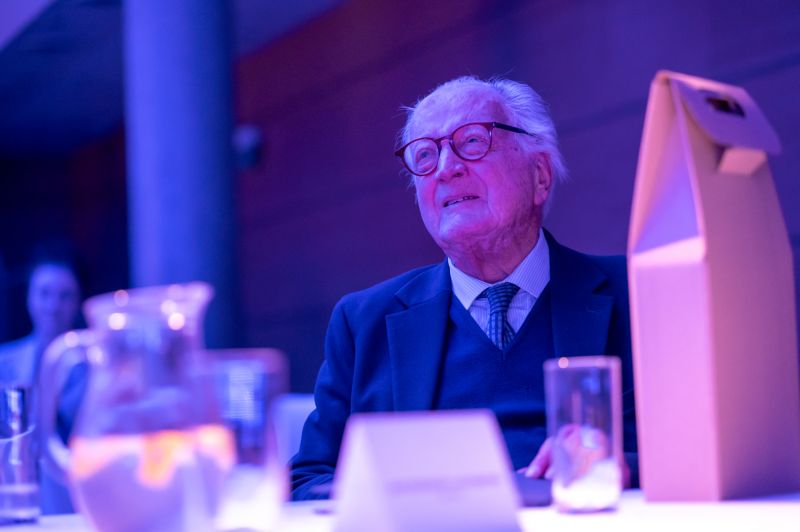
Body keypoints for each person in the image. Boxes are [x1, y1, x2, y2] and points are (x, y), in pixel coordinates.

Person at [291, 76, 637, 500]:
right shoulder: (364, 323)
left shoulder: (638, 296)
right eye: (425, 155)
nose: (445, 168)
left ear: (540, 175)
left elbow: (700, 451)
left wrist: (615, 466)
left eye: (472, 142)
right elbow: (309, 479)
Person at [0, 241, 86, 514]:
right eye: (44, 293)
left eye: (64, 296)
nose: (53, 306)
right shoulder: (4, 363)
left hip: (75, 501)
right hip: (11, 500)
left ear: (78, 301)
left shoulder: (95, 366)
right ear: (29, 297)